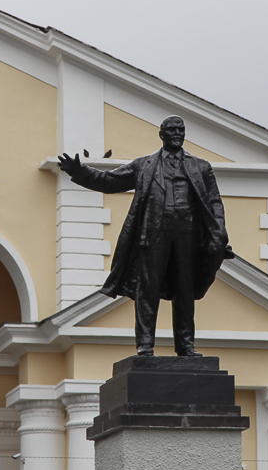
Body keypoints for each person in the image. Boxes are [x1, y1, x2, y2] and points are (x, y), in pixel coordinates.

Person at [58, 115, 233, 356]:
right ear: (161, 134)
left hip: (188, 235)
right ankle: (145, 345)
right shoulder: (144, 165)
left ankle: (185, 346)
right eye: (171, 130)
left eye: (181, 130)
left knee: (185, 290)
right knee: (146, 290)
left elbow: (214, 202)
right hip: (153, 233)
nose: (177, 134)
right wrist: (80, 171)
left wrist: (219, 232)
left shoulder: (201, 167)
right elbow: (110, 181)